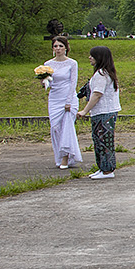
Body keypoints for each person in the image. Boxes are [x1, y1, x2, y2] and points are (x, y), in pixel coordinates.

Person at [77, 45, 121, 179]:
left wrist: (84, 111)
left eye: (93, 55)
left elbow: (97, 94)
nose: (90, 58)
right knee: (98, 140)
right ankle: (102, 168)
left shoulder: (102, 74)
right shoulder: (104, 73)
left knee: (104, 141)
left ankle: (108, 170)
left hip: (104, 112)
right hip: (101, 112)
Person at [44, 35, 83, 169]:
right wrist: (43, 81)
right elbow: (49, 83)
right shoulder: (48, 64)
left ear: (66, 48)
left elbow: (73, 83)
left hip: (68, 97)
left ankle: (66, 157)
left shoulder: (72, 63)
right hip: (54, 97)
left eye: (61, 46)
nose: (58, 48)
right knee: (55, 128)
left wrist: (68, 102)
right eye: (55, 46)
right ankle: (59, 156)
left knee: (66, 127)